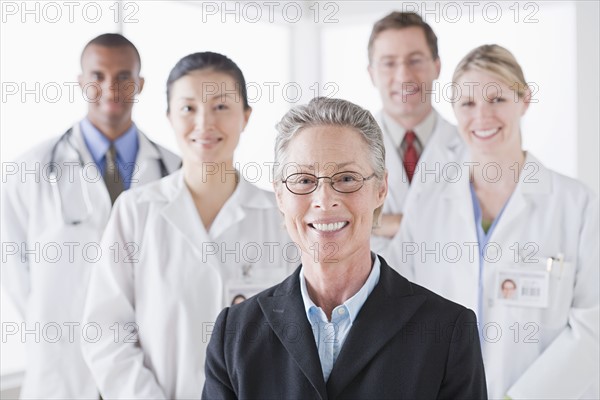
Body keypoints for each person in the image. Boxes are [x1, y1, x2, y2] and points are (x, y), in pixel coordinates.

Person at [202, 97, 487, 399]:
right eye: (304, 180)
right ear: (280, 195)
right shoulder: (234, 334)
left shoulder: (448, 331)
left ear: (380, 189)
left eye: (347, 178)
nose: (325, 200)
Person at [81, 52, 295, 398]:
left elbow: (303, 333)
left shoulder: (281, 215)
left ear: (246, 116)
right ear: (168, 117)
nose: (204, 123)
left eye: (221, 107)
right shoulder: (136, 212)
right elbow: (106, 333)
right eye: (188, 108)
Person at [397, 44, 599, 398]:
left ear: (524, 100)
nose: (482, 117)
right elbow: (401, 305)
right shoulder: (428, 203)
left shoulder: (576, 204)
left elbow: (592, 325)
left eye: (497, 99)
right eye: (468, 104)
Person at [1, 33, 180, 399]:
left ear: (140, 84)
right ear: (82, 82)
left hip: (146, 361)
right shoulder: (29, 170)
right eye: (97, 76)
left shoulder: (174, 171)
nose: (110, 88)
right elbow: (14, 267)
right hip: (63, 364)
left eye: (123, 76)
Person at [367, 11, 464, 249]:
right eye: (389, 63)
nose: (403, 76)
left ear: (437, 67)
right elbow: (327, 219)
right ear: (372, 74)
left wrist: (376, 222)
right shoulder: (347, 149)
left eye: (415, 60)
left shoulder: (469, 148)